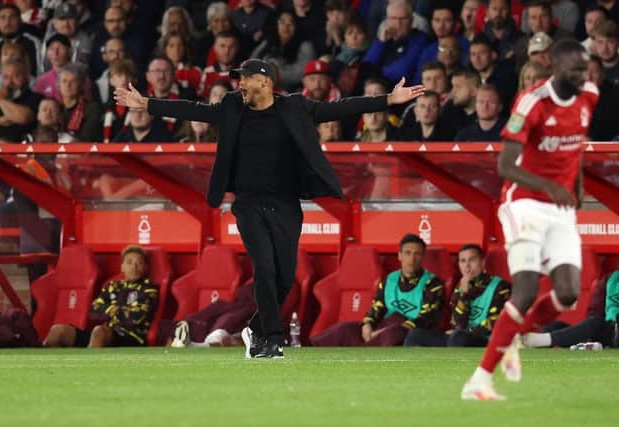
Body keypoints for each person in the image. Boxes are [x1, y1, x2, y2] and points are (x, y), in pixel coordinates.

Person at [114, 58, 425, 358]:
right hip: (248, 203)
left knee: (285, 277)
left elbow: (340, 108)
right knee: (264, 266)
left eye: (246, 79)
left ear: (264, 81)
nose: (241, 85)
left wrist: (388, 99)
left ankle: (255, 328)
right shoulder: (232, 106)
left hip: (286, 203)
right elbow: (193, 109)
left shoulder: (295, 107)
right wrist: (146, 104)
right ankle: (271, 340)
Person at [461, 39, 599, 401]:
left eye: (585, 70)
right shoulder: (531, 102)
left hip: (560, 206)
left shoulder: (589, 95)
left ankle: (514, 339)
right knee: (524, 291)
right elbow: (505, 166)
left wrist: (577, 185)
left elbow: (575, 144)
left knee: (568, 293)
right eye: (575, 70)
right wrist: (550, 186)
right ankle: (480, 379)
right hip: (523, 203)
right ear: (554, 66)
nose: (582, 76)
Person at [310, 233, 446, 347]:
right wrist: (367, 324)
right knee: (344, 329)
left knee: (393, 333)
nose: (412, 258)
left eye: (417, 254)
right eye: (408, 253)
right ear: (400, 255)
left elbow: (426, 319)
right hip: (383, 326)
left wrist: (384, 331)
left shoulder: (433, 284)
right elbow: (377, 307)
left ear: (423, 257)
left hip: (410, 332)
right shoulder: (389, 279)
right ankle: (308, 354)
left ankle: (360, 360)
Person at [44, 245, 159, 348]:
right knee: (58, 330)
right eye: (129, 262)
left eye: (139, 263)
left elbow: (134, 318)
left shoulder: (149, 288)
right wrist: (118, 311)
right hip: (105, 333)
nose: (134, 267)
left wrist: (108, 310)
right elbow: (93, 311)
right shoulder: (112, 286)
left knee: (99, 331)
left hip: (132, 337)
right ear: (122, 267)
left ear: (145, 268)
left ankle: (86, 369)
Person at [404, 244, 511, 347]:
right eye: (463, 261)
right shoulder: (461, 286)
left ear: (483, 262)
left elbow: (494, 324)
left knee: (459, 337)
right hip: (458, 338)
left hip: (485, 340)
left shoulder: (501, 287)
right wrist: (463, 294)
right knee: (414, 335)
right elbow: (458, 324)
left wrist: (463, 333)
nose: (467, 266)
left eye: (472, 260)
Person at [522, 266, 619, 349]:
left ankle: (543, 341)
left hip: (612, 330)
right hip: (610, 327)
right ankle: (585, 343)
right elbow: (598, 309)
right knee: (556, 326)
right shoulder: (612, 279)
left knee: (595, 323)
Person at [363, 0, 428, 84]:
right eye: (393, 18)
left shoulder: (420, 39)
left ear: (411, 20)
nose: (398, 23)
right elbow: (366, 67)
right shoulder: (383, 40)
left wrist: (378, 75)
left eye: (403, 18)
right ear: (387, 20)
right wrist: (380, 43)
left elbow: (402, 71)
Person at [0, 57, 42, 143]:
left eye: (16, 76)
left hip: (18, 150)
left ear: (27, 77)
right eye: (6, 77)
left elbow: (24, 118)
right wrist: (2, 120)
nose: (10, 82)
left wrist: (1, 99)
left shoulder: (35, 98)